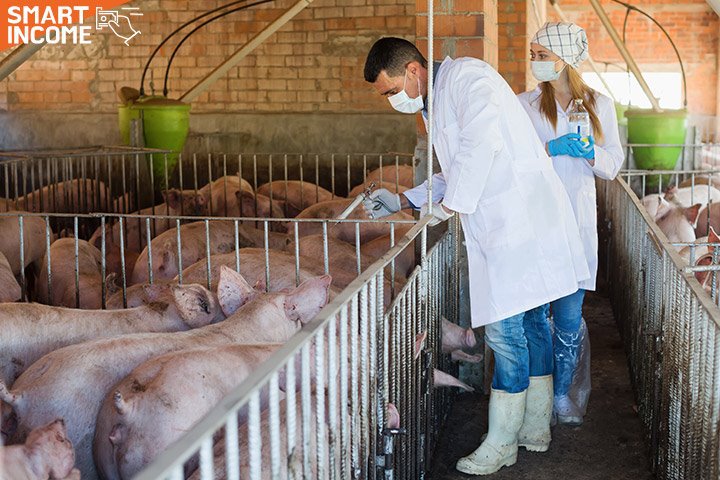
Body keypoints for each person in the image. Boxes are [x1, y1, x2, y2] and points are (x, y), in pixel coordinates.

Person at [362, 37, 591, 475]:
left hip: (521, 226)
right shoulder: (440, 99)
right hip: (513, 226)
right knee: (527, 325)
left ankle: (503, 442)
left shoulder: (470, 78)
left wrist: (446, 208)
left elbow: (480, 150)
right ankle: (534, 429)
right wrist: (405, 199)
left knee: (507, 335)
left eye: (392, 90)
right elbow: (458, 169)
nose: (393, 101)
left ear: (413, 70)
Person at [517, 22, 624, 426]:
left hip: (577, 227)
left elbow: (613, 167)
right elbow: (515, 161)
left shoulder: (600, 105)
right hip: (535, 223)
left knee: (566, 318)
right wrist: (549, 148)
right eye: (532, 55)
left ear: (564, 60)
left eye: (541, 55)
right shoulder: (524, 104)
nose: (535, 63)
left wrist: (591, 152)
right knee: (533, 318)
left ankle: (562, 395)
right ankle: (536, 397)